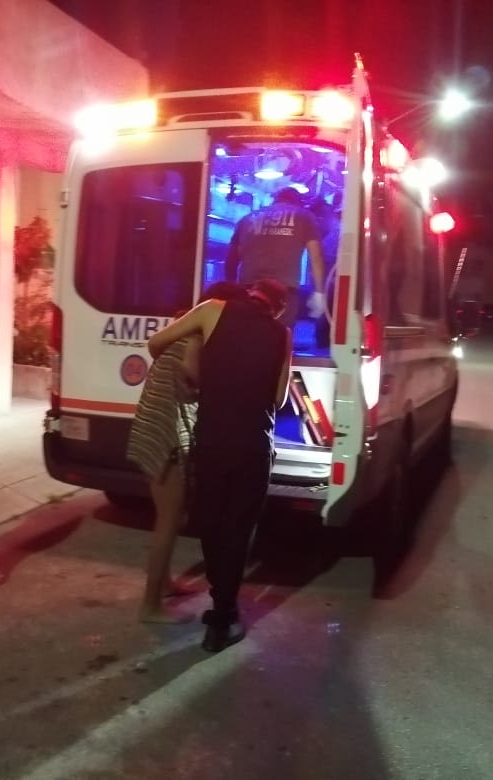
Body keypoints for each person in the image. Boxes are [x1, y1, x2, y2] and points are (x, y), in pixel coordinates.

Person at [148, 278, 292, 652]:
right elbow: (278, 399)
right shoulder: (282, 334)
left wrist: (190, 371)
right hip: (253, 446)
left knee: (211, 525)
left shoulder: (211, 311)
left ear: (250, 293)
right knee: (237, 532)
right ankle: (224, 617)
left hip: (212, 442)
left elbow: (156, 343)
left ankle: (221, 606)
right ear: (277, 308)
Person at [127, 281, 246, 624]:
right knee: (169, 517)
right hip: (165, 433)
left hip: (157, 426)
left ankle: (163, 584)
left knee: (172, 515)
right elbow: (194, 375)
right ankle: (150, 606)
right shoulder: (197, 336)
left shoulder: (186, 327)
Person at [225, 187, 327, 326]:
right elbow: (316, 257)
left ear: (275, 200)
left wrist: (230, 289)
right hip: (283, 293)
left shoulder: (247, 218)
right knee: (279, 336)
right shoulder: (304, 216)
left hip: (248, 291)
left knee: (247, 334)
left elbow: (232, 259)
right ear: (297, 202)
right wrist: (319, 293)